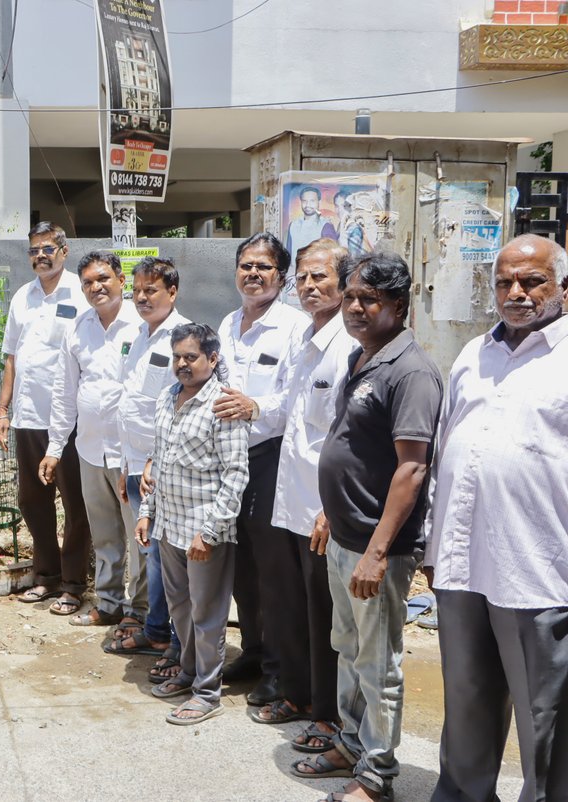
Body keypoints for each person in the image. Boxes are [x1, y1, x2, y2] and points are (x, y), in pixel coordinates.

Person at [293, 252, 442, 802]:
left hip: (378, 551)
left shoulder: (411, 371)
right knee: (348, 647)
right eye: (351, 295)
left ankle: (377, 777)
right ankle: (352, 746)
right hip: (345, 537)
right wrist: (332, 511)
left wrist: (377, 553)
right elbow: (353, 447)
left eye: (369, 299)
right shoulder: (364, 357)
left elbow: (411, 467)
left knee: (378, 665)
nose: (355, 306)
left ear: (398, 306)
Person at [428, 234, 568, 802]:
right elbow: (443, 448)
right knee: (465, 696)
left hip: (538, 567)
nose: (516, 293)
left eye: (531, 281)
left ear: (562, 287)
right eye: (505, 281)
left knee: (546, 715)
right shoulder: (472, 353)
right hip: (463, 563)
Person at [254, 240, 355, 755]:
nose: (311, 286)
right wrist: (246, 406)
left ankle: (330, 717)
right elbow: (284, 414)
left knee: (326, 617)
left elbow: (350, 438)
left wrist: (331, 508)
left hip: (322, 509)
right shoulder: (303, 338)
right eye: (304, 279)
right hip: (289, 499)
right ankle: (296, 696)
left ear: (344, 281)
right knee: (290, 604)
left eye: (321, 277)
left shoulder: (349, 345)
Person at [135, 323, 249, 727]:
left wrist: (211, 532)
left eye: (191, 357)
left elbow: (236, 474)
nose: (182, 364)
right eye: (177, 357)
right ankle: (186, 673)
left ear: (212, 359)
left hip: (204, 533)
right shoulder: (168, 398)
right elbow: (159, 461)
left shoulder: (224, 405)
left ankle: (207, 692)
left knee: (207, 614)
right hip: (169, 526)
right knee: (179, 609)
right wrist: (146, 511)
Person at [214, 232, 308, 707]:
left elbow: (295, 399)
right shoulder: (228, 324)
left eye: (263, 267)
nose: (253, 274)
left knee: (274, 571)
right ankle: (252, 651)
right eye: (246, 265)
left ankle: (279, 668)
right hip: (228, 461)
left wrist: (255, 407)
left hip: (271, 457)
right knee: (240, 568)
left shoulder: (295, 327)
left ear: (281, 277)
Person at [39, 252, 144, 627]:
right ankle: (110, 602)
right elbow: (65, 391)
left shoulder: (141, 323)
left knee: (139, 535)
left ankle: (140, 612)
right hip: (89, 449)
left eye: (103, 279)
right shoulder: (79, 328)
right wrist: (55, 447)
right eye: (87, 282)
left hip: (131, 452)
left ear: (120, 279)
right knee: (104, 534)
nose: (96, 287)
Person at [0, 222, 92, 616]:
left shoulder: (81, 294)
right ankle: (46, 576)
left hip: (69, 420)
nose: (40, 256)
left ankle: (72, 585)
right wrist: (3, 410)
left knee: (74, 503)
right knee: (33, 501)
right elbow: (12, 358)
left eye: (48, 249)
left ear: (64, 251)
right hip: (29, 417)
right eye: (34, 250)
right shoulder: (23, 296)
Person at [105, 256, 191, 679]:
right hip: (137, 464)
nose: (141, 297)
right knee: (152, 556)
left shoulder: (183, 338)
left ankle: (176, 641)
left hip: (166, 469)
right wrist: (127, 465)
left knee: (169, 559)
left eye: (151, 290)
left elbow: (179, 407)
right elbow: (131, 405)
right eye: (136, 290)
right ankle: (157, 631)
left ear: (172, 293)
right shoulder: (138, 334)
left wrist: (153, 463)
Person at [285, 186, 339, 273]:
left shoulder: (326, 226)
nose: (308, 205)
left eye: (312, 201)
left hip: (317, 276)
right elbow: (288, 255)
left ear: (319, 202)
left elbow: (334, 258)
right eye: (304, 201)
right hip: (295, 276)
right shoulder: (293, 225)